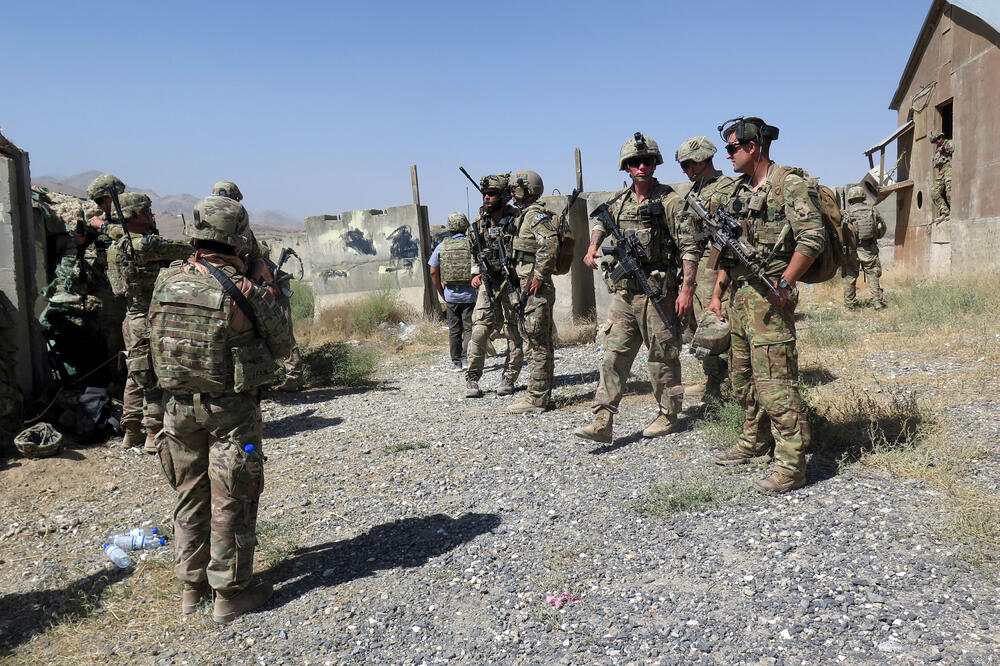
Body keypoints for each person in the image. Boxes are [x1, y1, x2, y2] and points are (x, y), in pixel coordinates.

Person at [149, 196, 293, 623]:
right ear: (238, 237)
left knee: (189, 493)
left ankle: (191, 589)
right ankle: (230, 593)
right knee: (232, 494)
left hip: (176, 407)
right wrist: (267, 285)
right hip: (229, 409)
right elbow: (283, 343)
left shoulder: (165, 282)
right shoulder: (242, 289)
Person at [707, 116, 825, 494]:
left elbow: (812, 236)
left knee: (776, 383)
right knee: (742, 378)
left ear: (752, 147)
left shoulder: (787, 184)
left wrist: (786, 282)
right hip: (741, 298)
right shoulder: (740, 191)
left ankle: (792, 464)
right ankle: (755, 440)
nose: (727, 156)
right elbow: (728, 251)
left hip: (770, 299)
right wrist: (718, 294)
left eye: (731, 148)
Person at [574, 132, 699, 443]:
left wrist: (686, 291)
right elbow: (601, 223)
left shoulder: (670, 201)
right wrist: (592, 247)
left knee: (662, 356)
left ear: (654, 164)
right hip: (625, 295)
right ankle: (603, 419)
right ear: (626, 167)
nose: (641, 166)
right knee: (613, 355)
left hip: (658, 293)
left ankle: (668, 414)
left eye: (646, 161)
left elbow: (690, 248)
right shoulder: (620, 202)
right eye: (634, 162)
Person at [106, 192, 192, 451]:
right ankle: (154, 433)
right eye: (147, 212)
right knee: (155, 376)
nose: (152, 215)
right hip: (150, 319)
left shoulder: (114, 247)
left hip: (131, 318)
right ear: (134, 216)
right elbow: (185, 249)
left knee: (136, 374)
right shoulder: (144, 245)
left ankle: (131, 430)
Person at [675, 136, 738, 404]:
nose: (685, 171)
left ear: (702, 161)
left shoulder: (731, 189)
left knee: (721, 329)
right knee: (703, 333)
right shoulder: (694, 193)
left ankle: (726, 388)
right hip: (699, 269)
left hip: (722, 267)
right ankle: (715, 383)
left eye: (688, 165)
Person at [465, 173, 524, 399]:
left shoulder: (518, 220)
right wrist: (475, 272)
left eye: (492, 194)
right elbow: (473, 252)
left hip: (512, 282)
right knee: (479, 331)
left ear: (504, 197)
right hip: (488, 282)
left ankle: (509, 377)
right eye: (485, 194)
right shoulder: (478, 226)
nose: (487, 198)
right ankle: (472, 378)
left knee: (512, 331)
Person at [506, 170, 558, 414]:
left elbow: (550, 243)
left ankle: (537, 399)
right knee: (536, 341)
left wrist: (538, 275)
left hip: (535, 288)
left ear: (526, 190)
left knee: (536, 343)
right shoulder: (523, 215)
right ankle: (538, 394)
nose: (512, 192)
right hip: (527, 287)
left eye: (515, 188)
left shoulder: (534, 215)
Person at [428, 212, 477, 371]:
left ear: (450, 230)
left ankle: (456, 363)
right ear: (465, 227)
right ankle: (466, 359)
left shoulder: (442, 246)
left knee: (455, 330)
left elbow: (433, 271)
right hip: (470, 295)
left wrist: (441, 291)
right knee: (469, 329)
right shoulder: (472, 244)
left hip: (450, 296)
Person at [841, 186, 887, 310]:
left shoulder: (847, 213)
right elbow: (882, 227)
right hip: (869, 248)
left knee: (850, 276)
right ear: (863, 196)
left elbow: (842, 231)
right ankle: (877, 302)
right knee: (873, 274)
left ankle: (849, 305)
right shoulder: (872, 210)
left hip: (852, 250)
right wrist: (876, 237)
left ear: (850, 198)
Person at [929, 130, 953, 222]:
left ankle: (953, 212)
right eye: (936, 140)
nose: (938, 141)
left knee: (949, 191)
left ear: (942, 137)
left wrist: (944, 149)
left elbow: (952, 148)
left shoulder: (948, 142)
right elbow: (935, 163)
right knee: (934, 191)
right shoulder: (937, 150)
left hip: (949, 169)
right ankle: (945, 212)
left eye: (939, 138)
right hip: (941, 172)